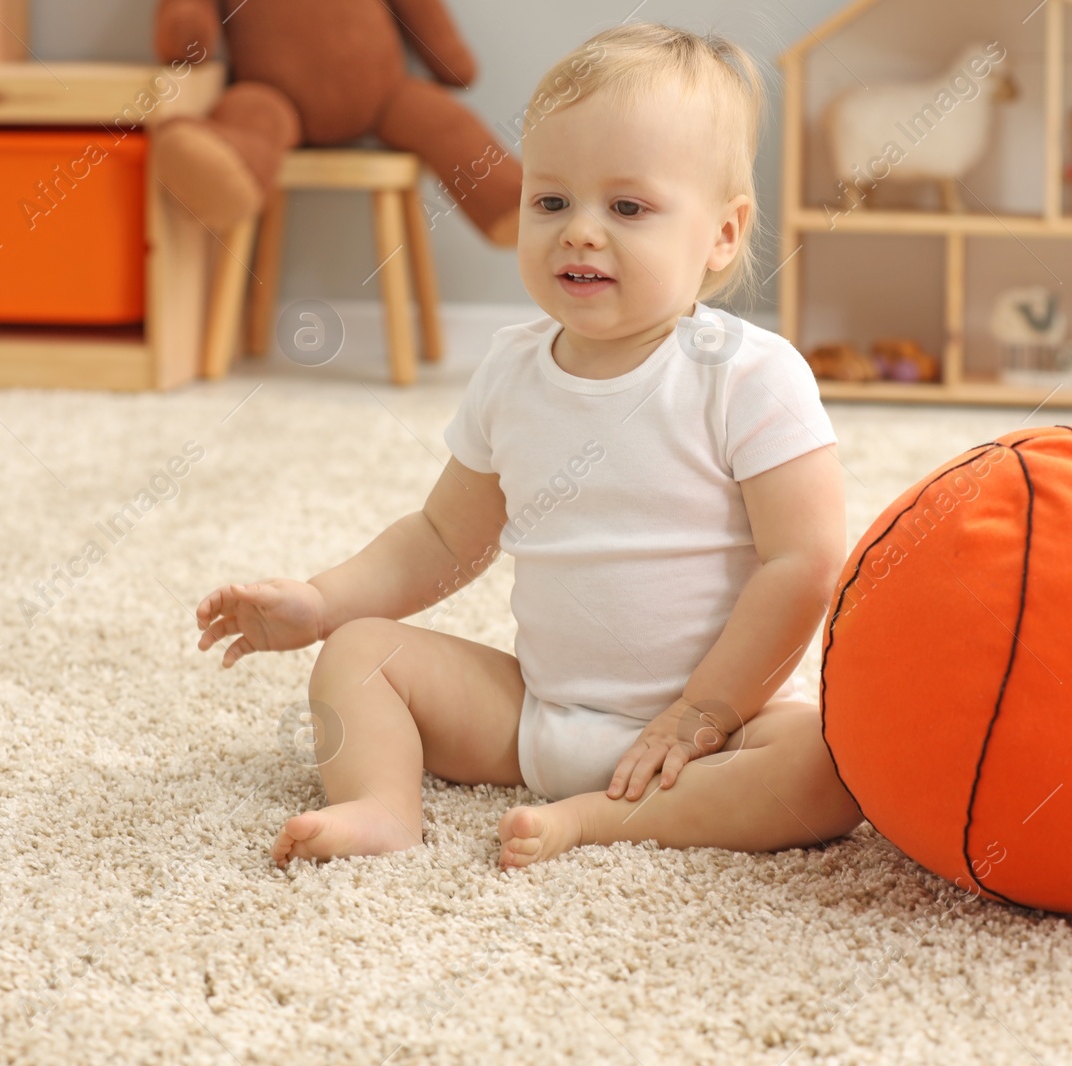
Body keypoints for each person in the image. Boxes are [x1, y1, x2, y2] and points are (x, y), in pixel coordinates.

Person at [196, 21, 863, 870]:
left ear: (722, 236)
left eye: (627, 207)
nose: (580, 231)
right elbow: (443, 538)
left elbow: (803, 565)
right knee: (359, 654)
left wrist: (703, 713)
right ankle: (381, 806)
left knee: (830, 768)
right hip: (538, 716)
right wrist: (323, 601)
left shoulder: (749, 375)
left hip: (719, 730)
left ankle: (596, 821)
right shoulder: (513, 370)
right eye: (550, 201)